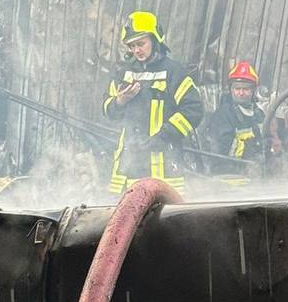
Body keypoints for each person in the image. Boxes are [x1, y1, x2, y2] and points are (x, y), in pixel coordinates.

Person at [102, 11, 203, 194]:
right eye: (132, 46)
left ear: (155, 40)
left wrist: (163, 136)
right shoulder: (124, 73)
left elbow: (193, 110)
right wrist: (120, 101)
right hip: (127, 169)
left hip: (165, 167)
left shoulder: (174, 73)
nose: (136, 50)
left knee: (165, 220)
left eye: (141, 44)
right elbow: (108, 110)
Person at [207, 61, 266, 180]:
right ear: (231, 89)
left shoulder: (259, 114)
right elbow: (220, 153)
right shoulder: (223, 116)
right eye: (237, 88)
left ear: (253, 90)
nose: (241, 93)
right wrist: (249, 150)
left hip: (254, 176)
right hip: (228, 177)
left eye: (245, 89)